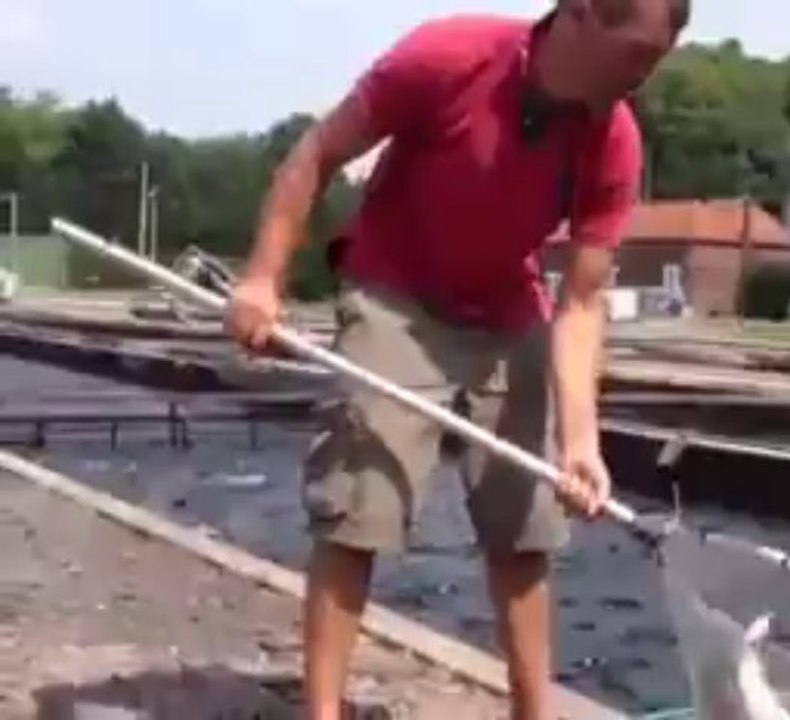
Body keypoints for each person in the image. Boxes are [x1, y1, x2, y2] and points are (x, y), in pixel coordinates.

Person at [224, 1, 689, 719]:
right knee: (360, 506)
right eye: (639, 57)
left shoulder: (614, 140)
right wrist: (262, 277)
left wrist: (580, 442)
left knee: (525, 527)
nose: (645, 80)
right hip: (396, 296)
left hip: (507, 307)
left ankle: (534, 712)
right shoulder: (449, 57)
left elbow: (583, 303)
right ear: (585, 15)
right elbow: (316, 154)